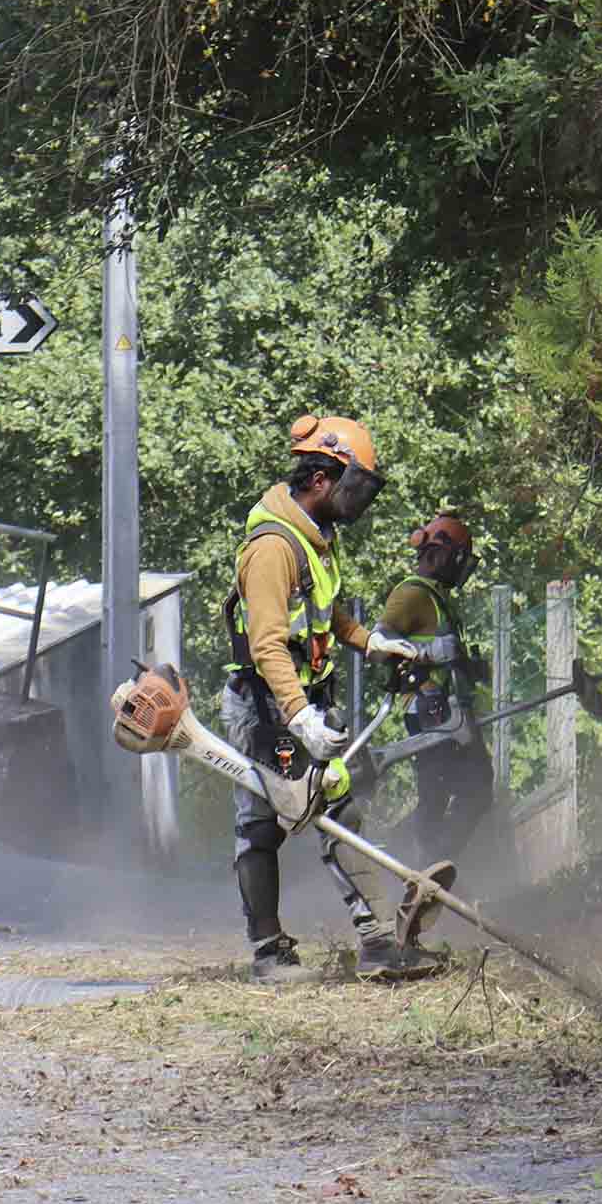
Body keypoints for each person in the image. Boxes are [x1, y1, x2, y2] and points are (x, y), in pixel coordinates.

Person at [218, 413, 442, 985]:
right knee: (261, 825)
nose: (360, 499)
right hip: (267, 705)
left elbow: (324, 613)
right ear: (322, 478)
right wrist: (301, 718)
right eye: (356, 485)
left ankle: (375, 943)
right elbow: (268, 644)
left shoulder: (315, 538)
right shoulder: (273, 546)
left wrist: (371, 643)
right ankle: (268, 951)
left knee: (342, 807)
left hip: (303, 698)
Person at [371, 513, 496, 868]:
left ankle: (434, 863)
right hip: (428, 711)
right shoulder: (411, 593)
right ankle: (426, 865)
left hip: (451, 711)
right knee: (438, 792)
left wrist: (469, 667)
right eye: (459, 558)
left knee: (476, 787)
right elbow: (379, 644)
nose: (461, 568)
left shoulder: (438, 599)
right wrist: (426, 654)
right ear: (439, 554)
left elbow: (446, 655)